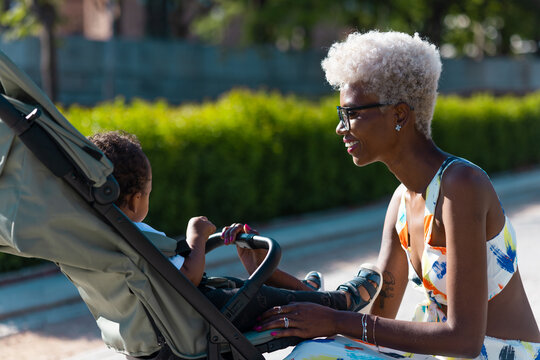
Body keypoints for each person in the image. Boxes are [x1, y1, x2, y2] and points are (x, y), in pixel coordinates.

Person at [251, 31, 540, 359]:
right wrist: (267, 275)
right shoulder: (401, 202)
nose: (341, 127)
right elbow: (376, 319)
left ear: (400, 115)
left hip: (503, 354)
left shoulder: (461, 186)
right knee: (316, 350)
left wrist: (335, 320)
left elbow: (464, 340)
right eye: (340, 114)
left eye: (353, 113)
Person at [88, 130, 382, 334]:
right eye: (149, 193)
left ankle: (304, 293)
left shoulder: (96, 239)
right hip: (195, 318)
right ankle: (340, 302)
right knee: (255, 296)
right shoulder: (133, 232)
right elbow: (185, 278)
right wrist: (196, 238)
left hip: (161, 323)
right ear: (137, 198)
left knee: (231, 283)